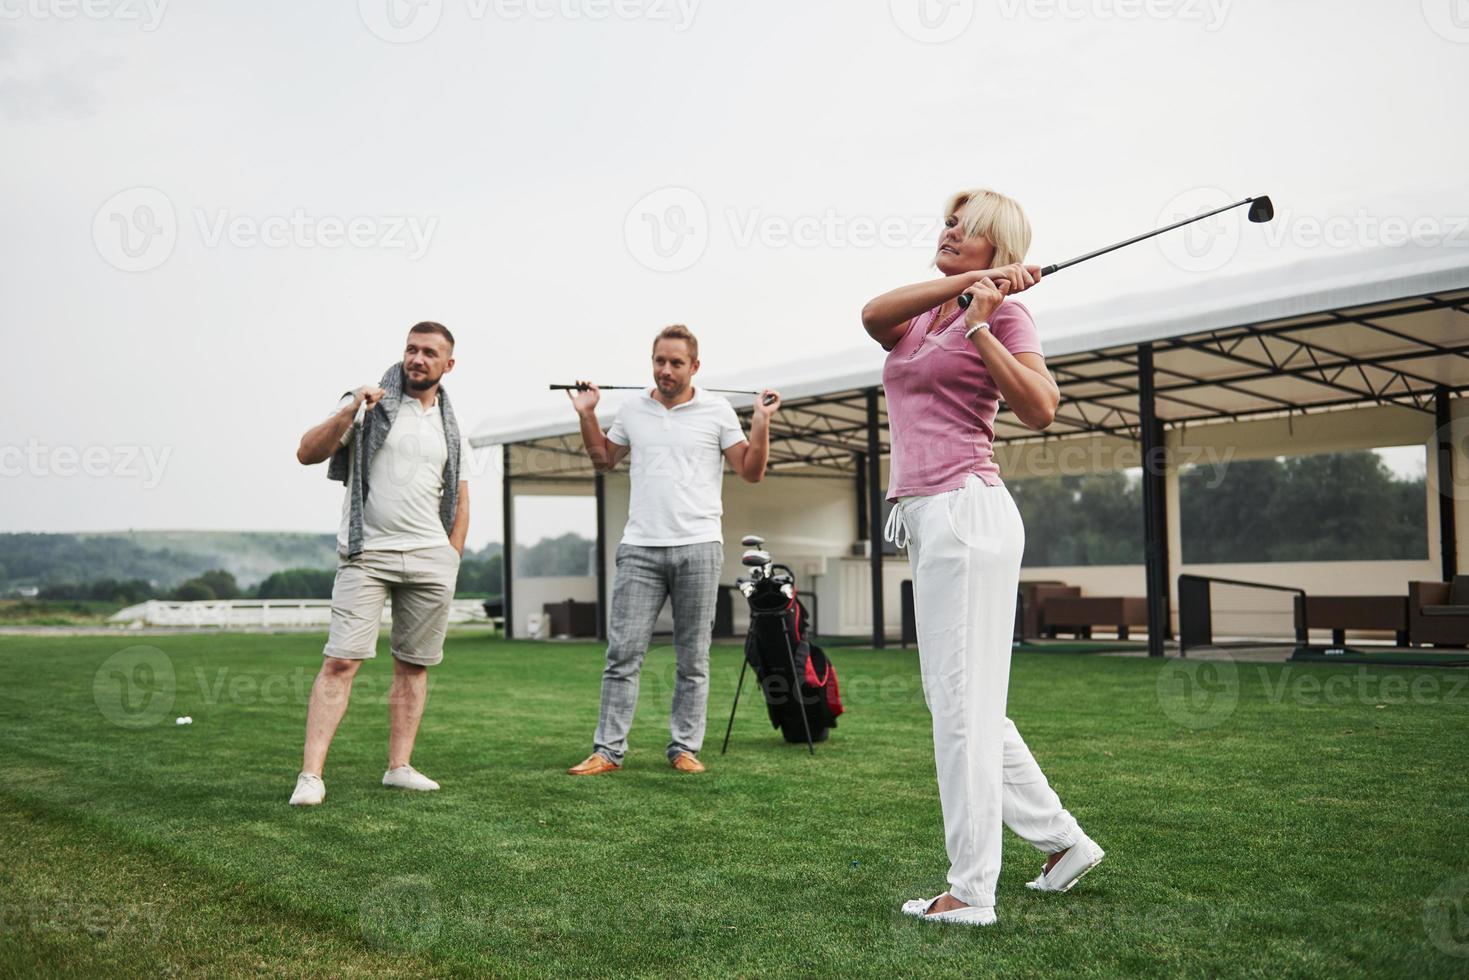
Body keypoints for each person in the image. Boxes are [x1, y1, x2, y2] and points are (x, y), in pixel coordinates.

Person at [861, 189, 1104, 926]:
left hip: (967, 512)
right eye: (943, 224)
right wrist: (966, 291)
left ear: (993, 243)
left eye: (961, 229)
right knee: (962, 705)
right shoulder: (918, 314)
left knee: (962, 713)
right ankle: (1061, 843)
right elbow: (872, 314)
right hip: (931, 518)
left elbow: (1039, 407)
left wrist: (981, 325)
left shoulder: (1007, 312)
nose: (945, 232)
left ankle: (970, 890)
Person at [565, 324, 780, 775]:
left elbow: (752, 472)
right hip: (640, 548)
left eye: (675, 362)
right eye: (659, 361)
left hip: (699, 548)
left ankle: (684, 748)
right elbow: (604, 460)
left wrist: (761, 421)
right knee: (622, 655)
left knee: (693, 657)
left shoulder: (717, 410)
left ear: (694, 366)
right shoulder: (633, 409)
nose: (665, 370)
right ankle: (608, 751)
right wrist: (587, 413)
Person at [287, 321, 471, 806]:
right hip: (367, 553)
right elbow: (307, 452)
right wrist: (351, 409)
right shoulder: (368, 403)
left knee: (413, 665)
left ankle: (399, 767)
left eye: (430, 352)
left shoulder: (451, 424)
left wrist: (452, 554)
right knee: (341, 661)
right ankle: (311, 776)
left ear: (447, 365)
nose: (417, 359)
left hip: (431, 558)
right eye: (411, 349)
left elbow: (461, 490)